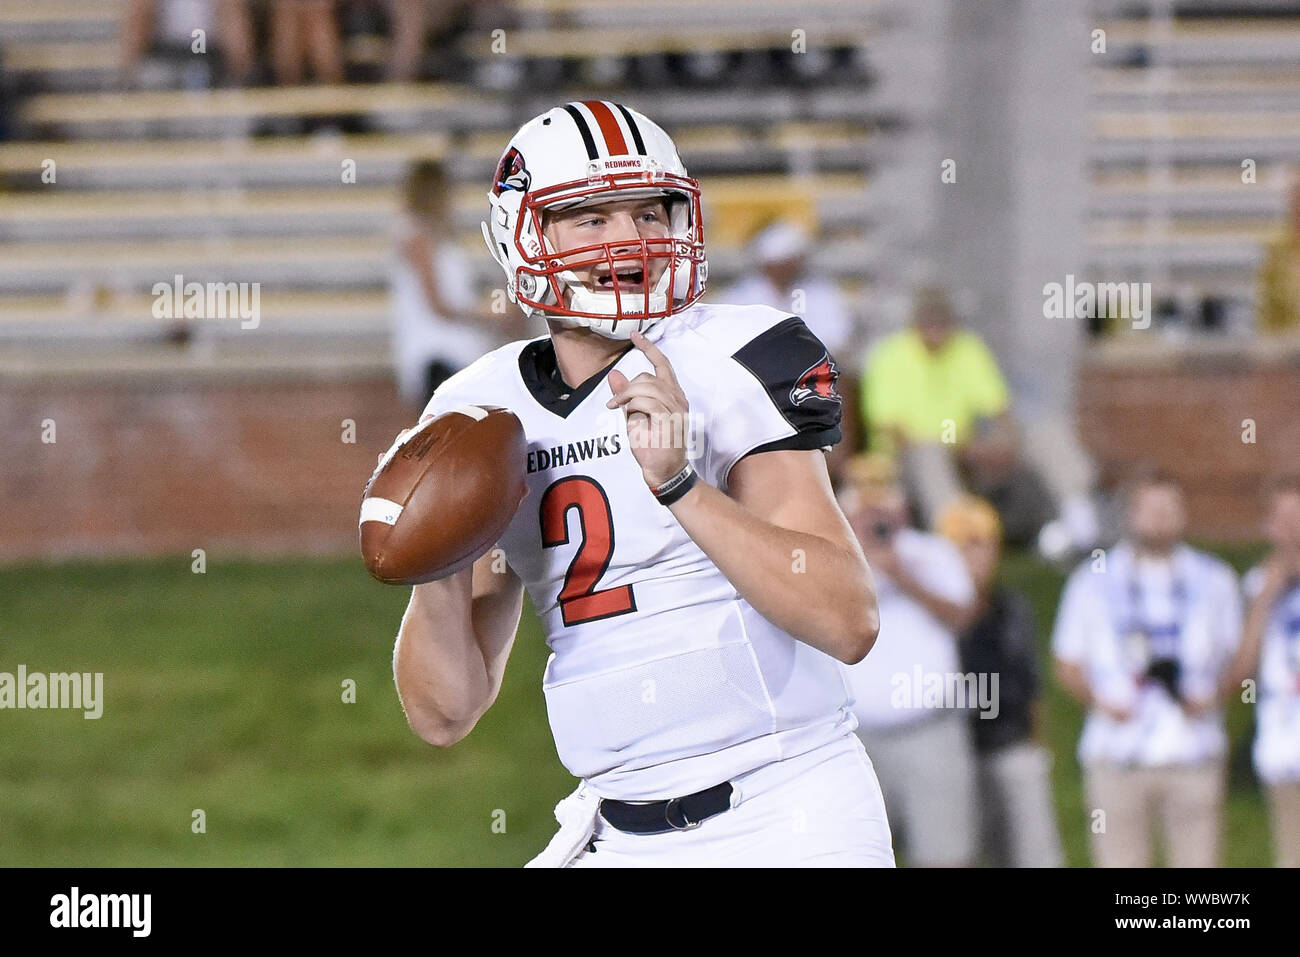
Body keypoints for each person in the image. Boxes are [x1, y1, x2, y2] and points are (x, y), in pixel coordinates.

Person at [389, 101, 895, 867]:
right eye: (590, 217)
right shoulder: (484, 409)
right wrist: (435, 558)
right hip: (614, 829)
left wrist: (682, 485)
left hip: (784, 809)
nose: (628, 239)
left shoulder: (738, 353)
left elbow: (846, 617)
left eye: (649, 211)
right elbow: (443, 713)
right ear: (524, 233)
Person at [1052, 469, 1242, 867]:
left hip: (1193, 750)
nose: (1160, 518)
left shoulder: (1214, 579)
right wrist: (1103, 703)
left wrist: (1212, 697)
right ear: (1130, 515)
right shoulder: (1092, 581)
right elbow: (1067, 662)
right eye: (1150, 509)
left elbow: (1240, 657)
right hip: (1118, 752)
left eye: (1169, 508)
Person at [838, 453, 979, 867]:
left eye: (883, 505)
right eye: (864, 508)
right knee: (855, 855)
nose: (875, 516)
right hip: (855, 738)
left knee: (946, 855)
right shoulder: (832, 557)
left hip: (930, 730)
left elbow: (962, 615)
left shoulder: (932, 553)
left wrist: (902, 575)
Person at [861, 285, 1055, 545]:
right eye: (929, 320)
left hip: (965, 447)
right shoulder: (890, 355)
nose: (936, 327)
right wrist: (954, 446)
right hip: (906, 457)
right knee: (929, 454)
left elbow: (1000, 408)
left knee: (1043, 432)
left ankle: (1076, 519)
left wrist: (1006, 441)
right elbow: (894, 432)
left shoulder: (967, 348)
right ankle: (956, 536)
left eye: (942, 320)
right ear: (915, 321)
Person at [937, 495, 1064, 867]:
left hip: (1009, 743)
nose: (978, 557)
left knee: (1033, 853)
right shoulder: (928, 609)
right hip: (955, 748)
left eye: (985, 546)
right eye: (966, 546)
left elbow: (1030, 682)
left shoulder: (1009, 607)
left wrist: (1035, 743)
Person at [1222, 476, 1300, 867]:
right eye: (1282, 519)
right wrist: (1265, 599)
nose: (1292, 529)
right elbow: (1242, 674)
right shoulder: (1257, 586)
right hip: (1286, 751)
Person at [388, 159, 501, 410]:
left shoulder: (434, 234)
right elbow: (437, 303)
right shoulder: (416, 234)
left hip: (454, 348)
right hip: (437, 352)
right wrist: (488, 315)